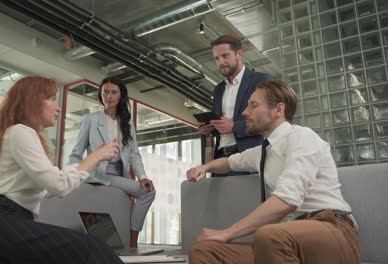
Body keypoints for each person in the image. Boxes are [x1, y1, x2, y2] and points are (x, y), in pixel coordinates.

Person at [187, 80, 361, 264]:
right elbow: (229, 163)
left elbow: (287, 201)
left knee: (269, 235)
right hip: (285, 239)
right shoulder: (263, 151)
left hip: (332, 229)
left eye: (253, 105)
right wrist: (204, 168)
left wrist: (226, 233)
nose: (245, 112)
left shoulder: (302, 137)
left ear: (278, 110)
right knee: (204, 251)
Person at [0, 76, 123, 264]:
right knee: (93, 247)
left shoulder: (20, 135)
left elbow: (50, 186)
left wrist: (87, 162)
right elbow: (59, 185)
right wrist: (96, 156)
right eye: (52, 99)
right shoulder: (20, 131)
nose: (59, 108)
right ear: (32, 101)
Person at [69, 76, 155, 248]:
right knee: (146, 194)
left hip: (118, 174)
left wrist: (143, 177)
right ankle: (133, 244)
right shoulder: (90, 119)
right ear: (100, 95)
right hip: (98, 173)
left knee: (148, 191)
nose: (109, 96)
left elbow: (134, 154)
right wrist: (73, 174)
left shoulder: (127, 123)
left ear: (121, 95)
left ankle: (132, 241)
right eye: (105, 92)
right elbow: (76, 153)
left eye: (113, 92)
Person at [198, 35, 273, 176]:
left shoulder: (261, 80)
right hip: (220, 160)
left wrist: (234, 127)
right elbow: (222, 125)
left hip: (247, 159)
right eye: (216, 58)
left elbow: (269, 120)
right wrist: (209, 128)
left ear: (239, 54)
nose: (221, 62)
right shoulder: (219, 89)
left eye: (225, 56)